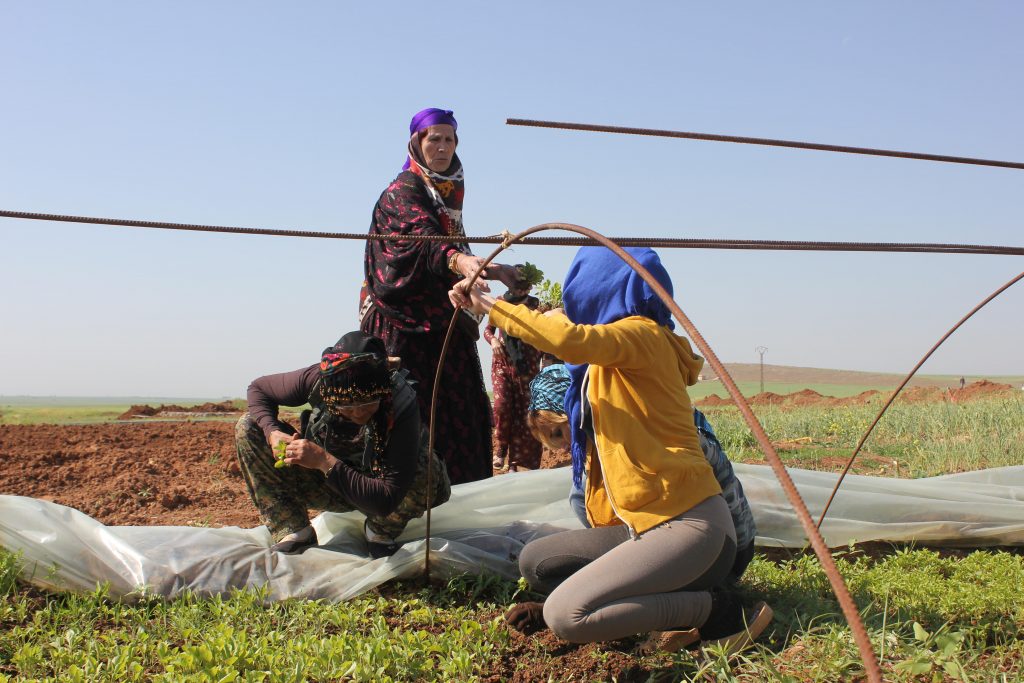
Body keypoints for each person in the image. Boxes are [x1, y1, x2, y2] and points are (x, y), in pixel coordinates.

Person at [450, 246, 772, 654]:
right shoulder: (609, 360)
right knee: (539, 562)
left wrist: (490, 305)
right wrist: (509, 295)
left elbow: (568, 339)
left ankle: (716, 610)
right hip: (645, 526)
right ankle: (649, 594)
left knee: (567, 617)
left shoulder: (644, 336)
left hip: (691, 527)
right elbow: (563, 334)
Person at [359, 107, 520, 485]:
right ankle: (399, 503)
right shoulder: (403, 191)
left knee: (459, 412)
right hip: (404, 323)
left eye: (449, 139)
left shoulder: (445, 195)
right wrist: (460, 260)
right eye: (435, 139)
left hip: (442, 322)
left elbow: (449, 248)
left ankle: (463, 498)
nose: (443, 147)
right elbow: (424, 242)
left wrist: (494, 270)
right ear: (417, 143)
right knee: (409, 416)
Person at [529, 361, 757, 583]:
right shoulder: (602, 443)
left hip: (715, 549)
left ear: (573, 409)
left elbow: (722, 498)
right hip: (683, 544)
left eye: (559, 432)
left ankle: (707, 606)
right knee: (578, 500)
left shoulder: (648, 428)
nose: (562, 445)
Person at [235, 331, 451, 557]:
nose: (358, 413)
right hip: (330, 483)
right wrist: (273, 432)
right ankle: (295, 531)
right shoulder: (319, 380)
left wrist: (322, 460)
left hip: (383, 492)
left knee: (427, 467)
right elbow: (258, 389)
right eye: (346, 406)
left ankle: (379, 531)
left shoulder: (402, 404)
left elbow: (386, 500)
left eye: (368, 404)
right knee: (249, 426)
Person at [484, 280, 544, 471]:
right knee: (502, 407)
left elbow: (545, 333)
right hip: (503, 363)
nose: (519, 289)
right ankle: (501, 448)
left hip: (528, 366)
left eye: (524, 286)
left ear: (529, 288)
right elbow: (487, 330)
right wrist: (493, 340)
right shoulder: (500, 303)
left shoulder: (536, 307)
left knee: (524, 415)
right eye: (516, 285)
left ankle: (516, 463)